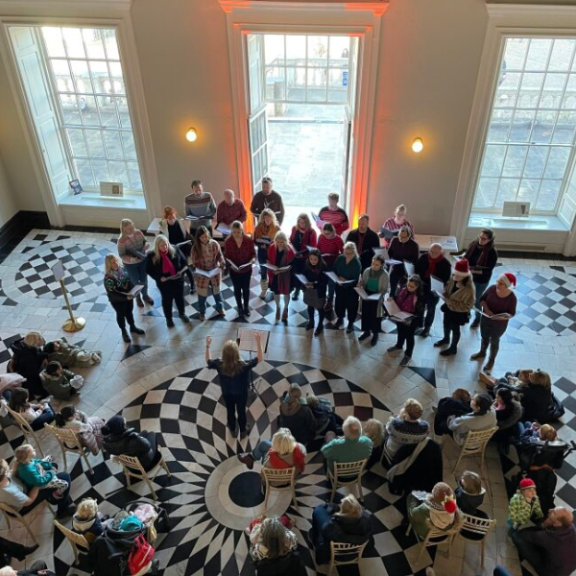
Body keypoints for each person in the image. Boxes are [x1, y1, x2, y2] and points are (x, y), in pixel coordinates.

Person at [206, 332, 263, 439]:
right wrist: (258, 342)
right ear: (237, 352)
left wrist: (208, 346)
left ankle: (232, 429)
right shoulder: (243, 365)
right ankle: (242, 430)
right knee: (241, 411)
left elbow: (208, 361)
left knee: (230, 411)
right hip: (241, 393)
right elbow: (259, 358)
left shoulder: (219, 364)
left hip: (227, 393)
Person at [0, 458, 75, 519]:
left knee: (52, 465)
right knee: (65, 478)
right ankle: (62, 510)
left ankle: (54, 496)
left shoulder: (4, 479)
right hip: (24, 505)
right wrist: (38, 483)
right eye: (7, 466)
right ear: (5, 472)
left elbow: (12, 472)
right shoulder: (11, 492)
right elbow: (28, 501)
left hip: (22, 491)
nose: (9, 466)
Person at [471, 273, 517, 372]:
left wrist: (501, 317)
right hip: (485, 319)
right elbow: (482, 300)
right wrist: (487, 309)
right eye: (498, 282)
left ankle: (491, 361)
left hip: (499, 325)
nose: (498, 284)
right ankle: (482, 352)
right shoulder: (492, 288)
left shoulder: (511, 297)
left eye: (501, 283)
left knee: (494, 341)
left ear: (507, 285)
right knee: (484, 337)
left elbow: (511, 313)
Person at [510, 506, 576, 576]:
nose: (550, 510)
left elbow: (523, 535)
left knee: (516, 536)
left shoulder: (548, 537)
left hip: (550, 572)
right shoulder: (571, 527)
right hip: (564, 568)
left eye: (554, 512)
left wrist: (544, 525)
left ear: (558, 523)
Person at [310, 495, 372, 564]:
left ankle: (314, 538)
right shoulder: (366, 521)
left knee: (318, 510)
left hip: (336, 554)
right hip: (356, 552)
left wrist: (334, 516)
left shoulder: (333, 527)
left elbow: (325, 531)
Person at [146, 234, 190, 327]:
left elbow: (184, 261)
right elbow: (148, 270)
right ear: (157, 246)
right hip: (164, 283)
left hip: (177, 280)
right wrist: (159, 278)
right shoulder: (151, 255)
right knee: (167, 300)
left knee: (179, 298)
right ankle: (169, 318)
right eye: (162, 245)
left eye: (166, 244)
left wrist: (181, 272)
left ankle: (182, 313)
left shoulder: (175, 249)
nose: (165, 247)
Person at [434, 259, 475, 357]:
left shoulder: (469, 289)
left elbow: (467, 306)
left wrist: (449, 302)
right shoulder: (453, 278)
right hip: (449, 308)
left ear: (465, 276)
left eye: (458, 275)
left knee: (455, 329)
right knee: (446, 324)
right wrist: (443, 292)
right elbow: (448, 289)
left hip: (458, 312)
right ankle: (446, 339)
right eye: (454, 274)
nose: (455, 277)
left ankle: (453, 348)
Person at [103, 254, 146, 343]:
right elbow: (112, 293)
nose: (115, 263)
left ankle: (133, 327)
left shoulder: (122, 269)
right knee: (121, 314)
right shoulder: (108, 278)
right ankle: (123, 331)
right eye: (112, 263)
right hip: (118, 301)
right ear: (109, 265)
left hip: (128, 296)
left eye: (116, 261)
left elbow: (129, 280)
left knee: (129, 312)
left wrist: (134, 290)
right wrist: (126, 297)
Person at [463, 228, 498, 328]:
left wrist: (474, 270)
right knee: (467, 296)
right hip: (469, 276)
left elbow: (488, 269)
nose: (481, 240)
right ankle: (467, 313)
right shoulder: (473, 244)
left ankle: (478, 318)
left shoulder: (492, 253)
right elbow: (466, 257)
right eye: (480, 237)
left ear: (490, 240)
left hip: (481, 280)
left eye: (484, 239)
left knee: (477, 299)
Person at [489, 369, 554, 424]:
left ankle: (493, 385)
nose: (530, 375)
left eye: (531, 376)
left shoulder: (530, 391)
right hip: (539, 409)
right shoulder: (546, 387)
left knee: (501, 383)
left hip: (527, 413)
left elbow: (514, 390)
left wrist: (502, 384)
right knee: (511, 374)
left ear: (535, 381)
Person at [414, 243, 451, 337]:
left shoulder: (446, 264)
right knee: (420, 306)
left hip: (434, 289)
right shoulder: (424, 257)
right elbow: (416, 268)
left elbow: (446, 280)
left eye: (436, 252)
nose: (433, 254)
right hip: (422, 285)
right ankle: (419, 324)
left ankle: (427, 328)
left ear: (441, 252)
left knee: (431, 309)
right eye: (431, 251)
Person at [386, 274, 424, 365]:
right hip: (400, 316)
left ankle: (408, 355)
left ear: (417, 286)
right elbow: (398, 298)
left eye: (412, 287)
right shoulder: (403, 289)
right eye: (408, 285)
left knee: (409, 337)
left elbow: (419, 313)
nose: (409, 288)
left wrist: (410, 319)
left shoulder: (419, 297)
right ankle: (399, 345)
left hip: (411, 321)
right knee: (400, 331)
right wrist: (392, 299)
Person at [238, 428, 306, 475]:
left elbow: (264, 476)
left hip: (274, 480)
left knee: (264, 444)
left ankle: (252, 457)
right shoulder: (299, 450)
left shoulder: (269, 461)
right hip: (291, 476)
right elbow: (300, 467)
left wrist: (264, 483)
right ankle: (251, 457)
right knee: (267, 443)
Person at [116, 219, 153, 308]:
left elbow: (145, 241)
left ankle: (145, 295)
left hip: (142, 260)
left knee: (144, 280)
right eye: (129, 229)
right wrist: (132, 260)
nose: (132, 230)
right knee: (136, 282)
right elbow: (121, 255)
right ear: (124, 229)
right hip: (130, 264)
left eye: (132, 227)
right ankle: (138, 298)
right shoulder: (121, 240)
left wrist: (146, 245)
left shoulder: (138, 232)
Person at [159, 205, 195, 292]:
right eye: (169, 217)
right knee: (176, 268)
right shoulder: (163, 227)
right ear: (166, 217)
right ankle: (179, 285)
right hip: (171, 249)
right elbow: (161, 239)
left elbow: (186, 234)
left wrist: (193, 242)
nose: (172, 218)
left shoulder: (180, 222)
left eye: (173, 216)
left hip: (182, 248)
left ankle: (192, 285)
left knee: (185, 266)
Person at [192, 225, 225, 320]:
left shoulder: (214, 244)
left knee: (217, 292)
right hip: (202, 275)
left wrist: (222, 263)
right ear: (198, 238)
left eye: (206, 236)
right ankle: (202, 312)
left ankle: (220, 308)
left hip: (214, 272)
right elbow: (194, 263)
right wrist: (199, 269)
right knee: (202, 295)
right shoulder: (195, 248)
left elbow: (220, 256)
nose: (205, 239)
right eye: (202, 237)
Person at [224, 221, 255, 318]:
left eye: (238, 232)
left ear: (242, 230)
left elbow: (253, 254)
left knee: (246, 289)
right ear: (231, 232)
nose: (236, 234)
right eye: (234, 232)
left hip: (246, 269)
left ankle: (246, 307)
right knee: (237, 289)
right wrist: (230, 265)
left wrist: (253, 260)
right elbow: (227, 256)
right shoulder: (228, 242)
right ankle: (239, 307)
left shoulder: (248, 240)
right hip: (234, 270)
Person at [358, 254, 389, 345]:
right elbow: (363, 283)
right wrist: (360, 285)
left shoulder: (385, 275)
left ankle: (375, 334)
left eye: (377, 265)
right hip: (366, 295)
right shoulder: (367, 271)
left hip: (377, 297)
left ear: (382, 265)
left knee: (376, 317)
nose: (374, 266)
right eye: (373, 263)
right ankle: (366, 331)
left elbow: (385, 289)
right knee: (365, 314)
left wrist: (377, 295)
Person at [333, 241, 362, 333]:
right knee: (339, 302)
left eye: (350, 253)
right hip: (339, 286)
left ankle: (350, 323)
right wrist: (338, 278)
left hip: (351, 288)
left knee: (351, 305)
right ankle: (340, 318)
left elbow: (356, 277)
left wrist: (345, 280)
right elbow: (334, 269)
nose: (347, 255)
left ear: (354, 252)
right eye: (346, 252)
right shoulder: (340, 258)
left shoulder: (356, 263)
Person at [267, 231, 295, 323]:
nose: (279, 244)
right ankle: (278, 307)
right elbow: (268, 260)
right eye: (278, 242)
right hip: (274, 274)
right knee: (276, 292)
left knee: (286, 293)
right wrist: (272, 268)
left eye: (282, 242)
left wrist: (280, 270)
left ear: (285, 241)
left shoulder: (289, 250)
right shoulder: (271, 248)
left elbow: (291, 265)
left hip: (286, 275)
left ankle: (285, 308)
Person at [10, 332, 47, 398]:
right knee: (37, 386)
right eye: (38, 345)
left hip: (20, 367)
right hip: (25, 375)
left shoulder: (23, 344)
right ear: (34, 344)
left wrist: (44, 356)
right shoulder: (28, 357)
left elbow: (37, 354)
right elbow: (32, 373)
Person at [289, 213, 317, 301]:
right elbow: (290, 240)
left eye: (303, 223)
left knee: (305, 275)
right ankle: (296, 290)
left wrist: (304, 254)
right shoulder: (294, 228)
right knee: (296, 274)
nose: (301, 224)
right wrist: (293, 250)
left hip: (306, 258)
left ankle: (306, 292)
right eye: (300, 222)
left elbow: (313, 247)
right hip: (295, 256)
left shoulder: (312, 232)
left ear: (307, 222)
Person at [317, 222, 344, 310]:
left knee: (331, 283)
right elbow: (318, 249)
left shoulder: (338, 239)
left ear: (333, 232)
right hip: (322, 263)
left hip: (333, 263)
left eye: (328, 233)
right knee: (322, 282)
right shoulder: (321, 237)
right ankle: (323, 298)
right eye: (324, 233)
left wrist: (333, 255)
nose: (325, 235)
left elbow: (343, 253)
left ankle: (330, 301)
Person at [254, 208, 280, 299]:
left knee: (273, 272)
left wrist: (270, 245)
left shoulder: (276, 228)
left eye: (270, 219)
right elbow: (255, 240)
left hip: (273, 253)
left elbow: (279, 242)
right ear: (263, 218)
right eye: (266, 219)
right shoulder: (258, 227)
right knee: (263, 272)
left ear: (272, 218)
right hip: (262, 253)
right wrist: (261, 244)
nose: (268, 221)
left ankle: (273, 289)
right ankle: (264, 290)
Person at [301, 249, 328, 336]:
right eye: (311, 259)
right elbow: (303, 275)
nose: (313, 261)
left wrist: (314, 285)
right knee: (310, 306)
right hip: (309, 290)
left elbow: (325, 281)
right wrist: (305, 284)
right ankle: (311, 322)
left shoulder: (323, 266)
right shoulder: (306, 264)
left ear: (319, 259)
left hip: (319, 291)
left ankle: (320, 325)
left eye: (315, 259)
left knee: (320, 308)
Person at [387, 225, 420, 297]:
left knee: (402, 290)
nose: (401, 239)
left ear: (409, 236)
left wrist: (410, 274)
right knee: (392, 287)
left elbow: (415, 261)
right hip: (396, 267)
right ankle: (391, 300)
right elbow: (389, 253)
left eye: (404, 237)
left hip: (406, 271)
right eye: (400, 236)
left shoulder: (414, 245)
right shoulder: (395, 240)